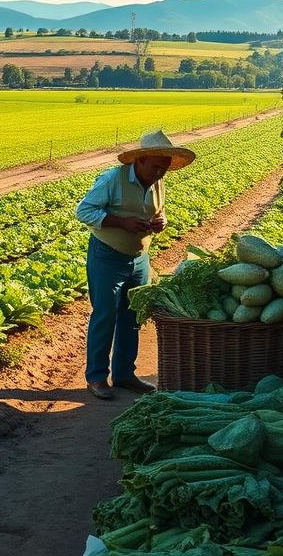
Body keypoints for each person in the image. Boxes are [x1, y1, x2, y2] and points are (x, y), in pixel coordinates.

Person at [75, 129, 195, 401]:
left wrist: (161, 222)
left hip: (140, 257)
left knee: (133, 316)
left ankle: (124, 374)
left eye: (164, 168)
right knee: (105, 314)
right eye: (155, 167)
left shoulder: (157, 181)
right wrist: (121, 222)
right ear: (140, 160)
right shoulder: (112, 180)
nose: (160, 173)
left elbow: (159, 211)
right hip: (107, 255)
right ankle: (96, 377)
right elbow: (83, 211)